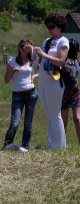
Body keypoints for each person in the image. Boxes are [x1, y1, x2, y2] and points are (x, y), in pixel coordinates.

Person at [33, 13, 69, 149]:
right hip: (42, 79)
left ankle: (59, 145)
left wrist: (44, 55)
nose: (49, 29)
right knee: (48, 114)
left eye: (52, 26)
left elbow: (60, 61)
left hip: (54, 81)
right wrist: (38, 56)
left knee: (55, 114)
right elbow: (41, 61)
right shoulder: (47, 41)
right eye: (47, 26)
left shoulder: (63, 41)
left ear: (59, 26)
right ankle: (53, 142)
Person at [3, 39, 38, 151]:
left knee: (28, 122)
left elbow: (43, 69)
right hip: (17, 95)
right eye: (22, 46)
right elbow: (6, 80)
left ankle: (25, 146)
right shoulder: (12, 61)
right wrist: (13, 71)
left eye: (26, 47)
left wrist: (34, 76)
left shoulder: (32, 61)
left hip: (31, 94)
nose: (24, 48)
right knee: (15, 122)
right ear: (18, 47)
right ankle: (7, 145)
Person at [61, 38, 80, 144]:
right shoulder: (63, 60)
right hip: (64, 92)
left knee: (77, 118)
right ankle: (62, 142)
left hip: (75, 92)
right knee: (64, 121)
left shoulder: (76, 62)